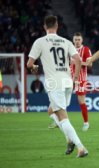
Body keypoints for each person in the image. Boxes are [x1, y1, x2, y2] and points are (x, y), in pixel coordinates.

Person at [27, 15, 88, 157]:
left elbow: (29, 64)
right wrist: (74, 78)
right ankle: (68, 138)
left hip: (54, 83)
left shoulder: (40, 42)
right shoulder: (65, 41)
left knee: (62, 116)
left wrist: (34, 67)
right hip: (67, 82)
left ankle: (80, 147)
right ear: (57, 26)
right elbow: (78, 60)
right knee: (51, 111)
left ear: (44, 27)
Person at [48, 32, 92, 131]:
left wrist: (78, 62)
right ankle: (57, 120)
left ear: (82, 40)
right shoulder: (68, 49)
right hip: (66, 79)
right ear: (73, 40)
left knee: (81, 101)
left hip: (80, 79)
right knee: (60, 101)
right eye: (75, 39)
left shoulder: (86, 50)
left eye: (79, 39)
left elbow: (90, 65)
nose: (77, 41)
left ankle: (86, 123)